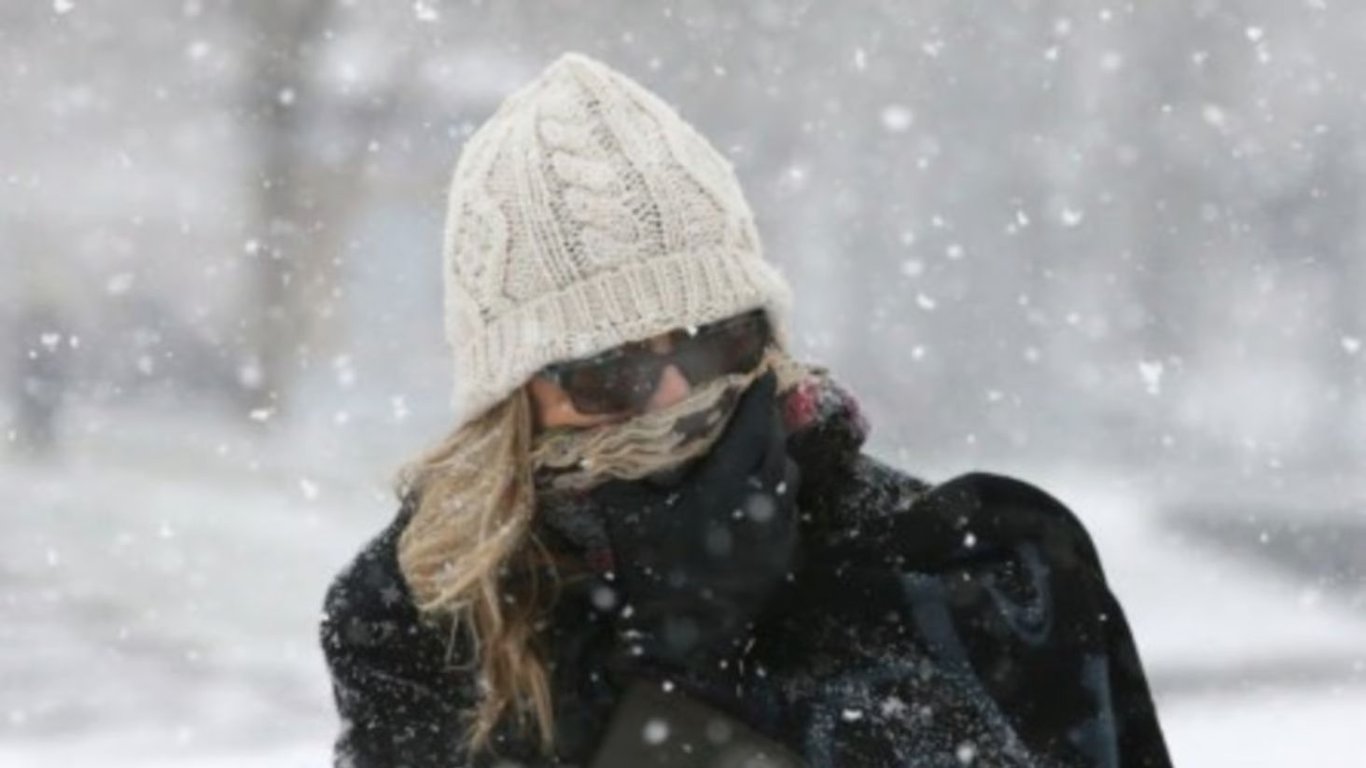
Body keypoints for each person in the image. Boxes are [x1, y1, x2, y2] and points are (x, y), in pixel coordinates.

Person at [319, 51, 1173, 768]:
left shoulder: (960, 567)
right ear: (513, 402)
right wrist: (672, 667)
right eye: (609, 373)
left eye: (712, 342)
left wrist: (740, 668)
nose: (675, 395)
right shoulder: (423, 611)